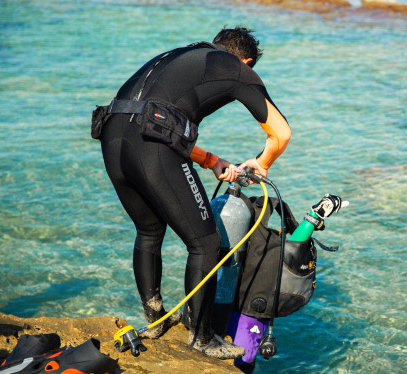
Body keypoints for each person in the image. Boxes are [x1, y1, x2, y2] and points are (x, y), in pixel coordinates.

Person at [98, 26, 291, 359]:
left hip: (112, 136)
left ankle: (155, 318)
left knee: (149, 230)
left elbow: (154, 118)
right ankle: (203, 338)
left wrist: (211, 160)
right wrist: (262, 163)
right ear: (245, 60)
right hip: (149, 146)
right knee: (205, 242)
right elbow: (281, 134)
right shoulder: (239, 69)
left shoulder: (181, 56)